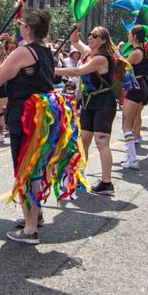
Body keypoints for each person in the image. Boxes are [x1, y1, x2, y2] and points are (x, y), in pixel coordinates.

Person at [0, 4, 53, 244]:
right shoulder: (45, 48)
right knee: (33, 167)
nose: (20, 30)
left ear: (27, 30)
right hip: (39, 113)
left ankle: (29, 230)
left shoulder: (22, 51)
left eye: (22, 26)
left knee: (25, 170)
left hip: (26, 115)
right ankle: (35, 217)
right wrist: (23, 10)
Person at [56, 25, 121, 196]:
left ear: (103, 40)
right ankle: (78, 176)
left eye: (95, 35)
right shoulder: (88, 53)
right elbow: (75, 41)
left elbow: (78, 71)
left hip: (103, 102)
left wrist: (51, 70)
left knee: (101, 143)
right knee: (83, 140)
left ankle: (107, 183)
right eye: (90, 34)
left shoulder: (101, 58)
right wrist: (76, 28)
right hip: (88, 102)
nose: (90, 37)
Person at [121, 25, 148, 169]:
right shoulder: (143, 51)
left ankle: (133, 159)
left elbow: (122, 66)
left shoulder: (136, 52)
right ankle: (130, 156)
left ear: (134, 36)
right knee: (131, 123)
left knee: (126, 124)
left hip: (136, 87)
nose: (127, 35)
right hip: (142, 86)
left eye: (129, 33)